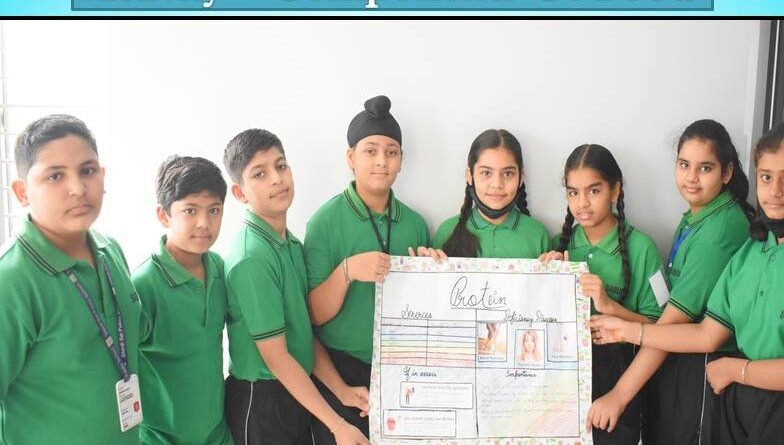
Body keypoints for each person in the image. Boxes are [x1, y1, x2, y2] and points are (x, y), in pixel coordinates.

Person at [591, 123, 784, 445]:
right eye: (766, 177)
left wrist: (736, 370)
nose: (774, 192)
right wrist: (626, 330)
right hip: (742, 400)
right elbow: (708, 333)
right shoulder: (752, 250)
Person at [0, 114, 144, 445]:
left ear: (103, 175)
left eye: (87, 171)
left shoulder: (110, 251)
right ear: (22, 192)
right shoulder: (3, 286)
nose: (78, 188)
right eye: (55, 176)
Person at [586, 119, 754, 444]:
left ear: (727, 173)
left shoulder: (718, 232)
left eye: (705, 168)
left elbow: (672, 323)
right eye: (684, 165)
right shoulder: (698, 216)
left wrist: (619, 395)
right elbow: (665, 319)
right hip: (677, 359)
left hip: (705, 368)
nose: (691, 177)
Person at [220, 128, 369, 445]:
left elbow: (302, 334)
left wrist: (342, 391)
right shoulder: (251, 257)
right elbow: (278, 358)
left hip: (297, 393)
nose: (277, 179)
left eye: (281, 166)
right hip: (261, 402)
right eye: (260, 174)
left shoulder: (291, 244)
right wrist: (337, 425)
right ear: (239, 192)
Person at [303, 95, 431, 441]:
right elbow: (313, 315)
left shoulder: (415, 224)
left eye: (391, 152)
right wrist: (346, 271)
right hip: (340, 371)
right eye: (370, 151)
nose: (381, 161)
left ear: (401, 160)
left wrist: (431, 269)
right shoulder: (324, 222)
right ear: (351, 158)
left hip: (403, 371)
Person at [540, 143, 664, 445]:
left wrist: (609, 306)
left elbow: (662, 330)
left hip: (620, 380)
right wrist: (545, 273)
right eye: (573, 192)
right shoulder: (560, 245)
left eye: (593, 191)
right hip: (563, 381)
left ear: (615, 190)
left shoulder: (643, 248)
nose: (582, 203)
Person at [134, 155, 233, 445]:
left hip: (217, 434)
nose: (204, 223)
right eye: (190, 210)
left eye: (214, 210)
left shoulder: (219, 268)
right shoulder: (142, 285)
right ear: (164, 215)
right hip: (159, 439)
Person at [434, 129, 550, 259]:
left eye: (508, 174)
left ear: (521, 178)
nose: (496, 184)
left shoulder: (538, 235)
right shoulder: (447, 231)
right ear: (469, 176)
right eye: (486, 173)